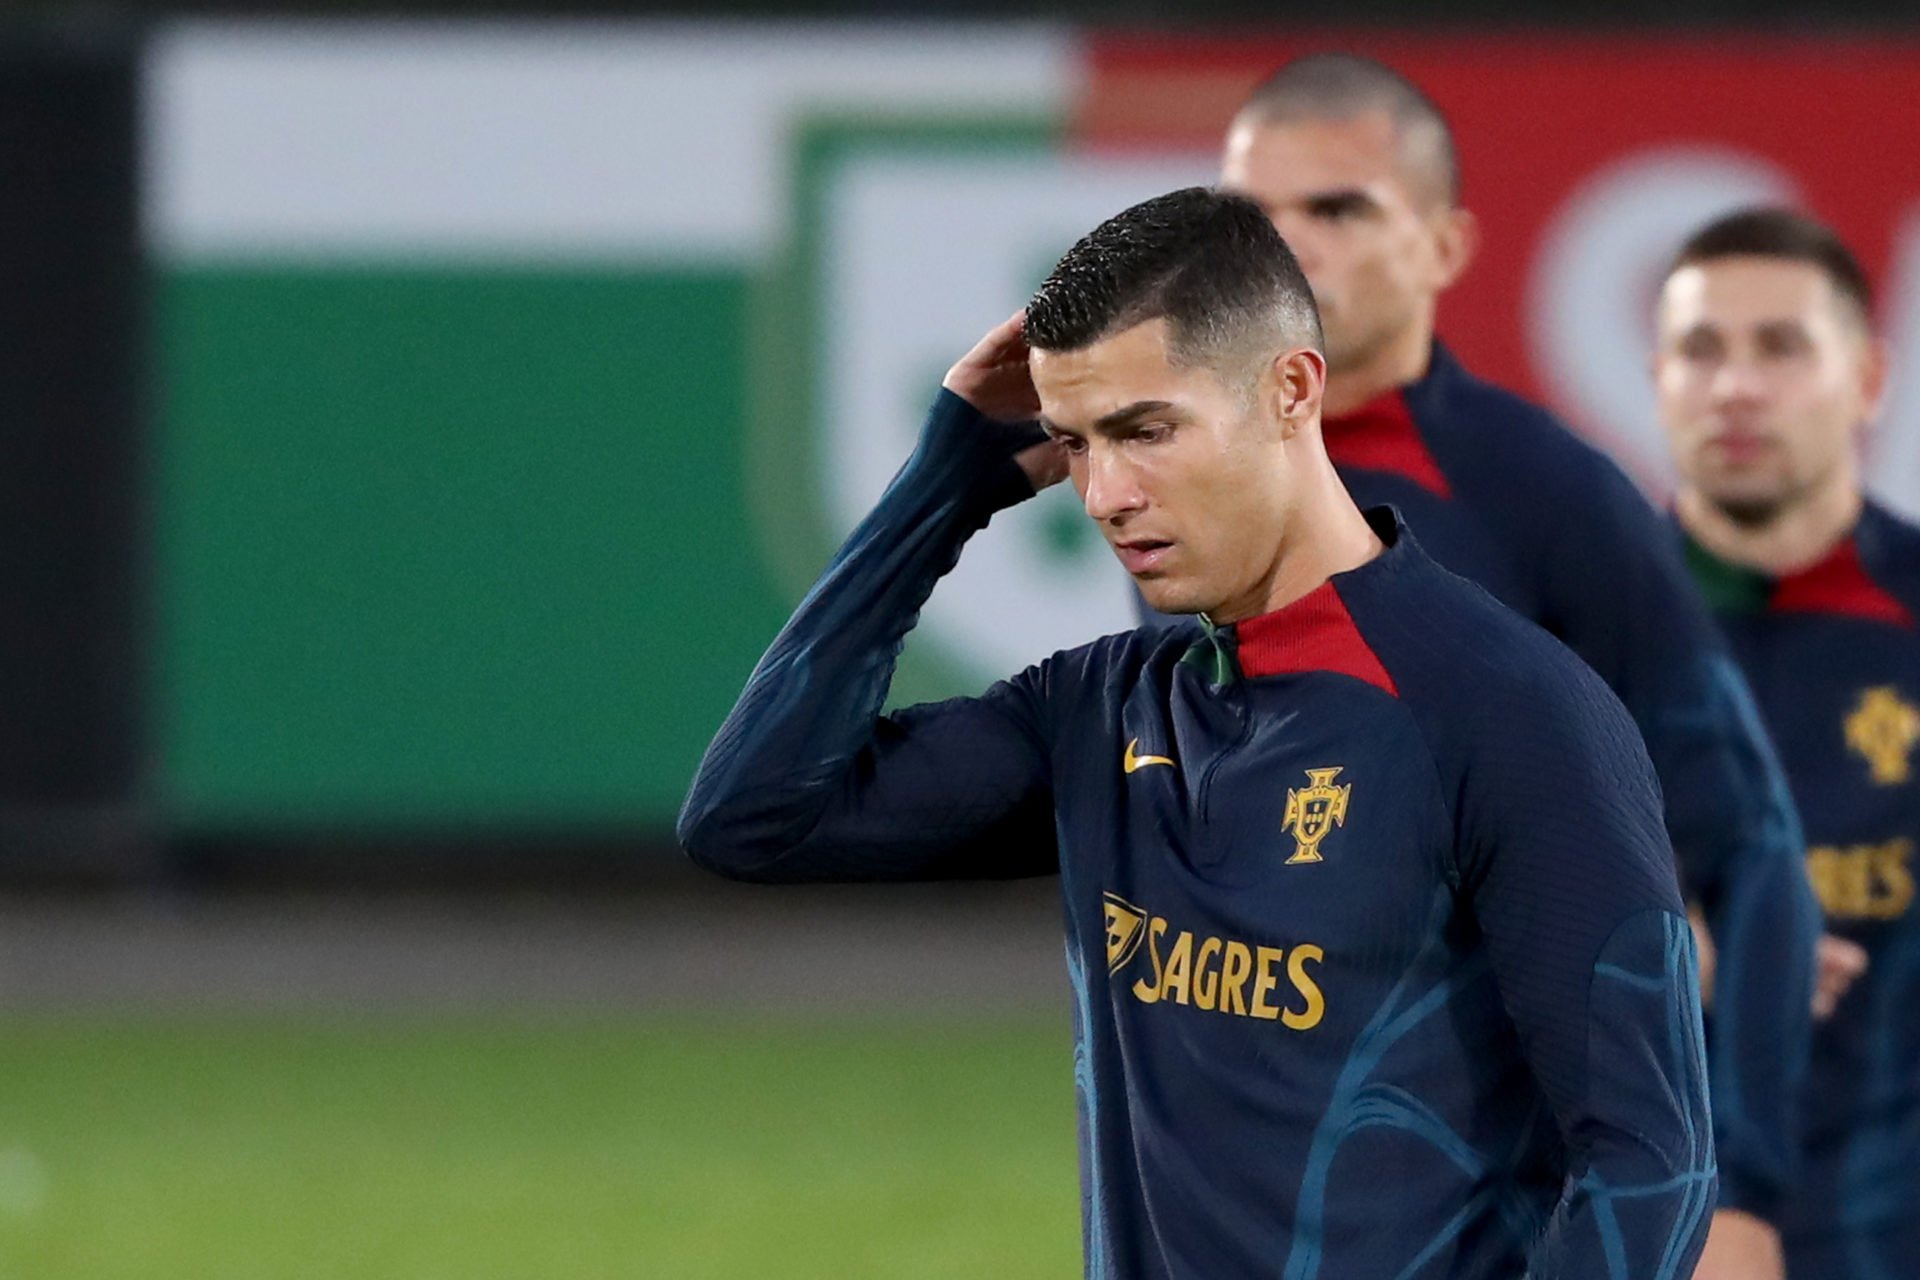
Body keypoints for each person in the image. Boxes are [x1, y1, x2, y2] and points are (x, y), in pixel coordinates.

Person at [681, 187, 1714, 1278]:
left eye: (1146, 429)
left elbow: (1651, 1160)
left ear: (1289, 390)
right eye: (1073, 443)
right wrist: (944, 487)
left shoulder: (1513, 712)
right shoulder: (1099, 710)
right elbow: (753, 816)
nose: (1104, 493)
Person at [1215, 52, 1824, 1276]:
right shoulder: (1190, 483)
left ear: (1445, 248)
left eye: (1337, 209)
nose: (1284, 250)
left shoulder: (1547, 494)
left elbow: (1753, 850)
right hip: (1251, 1146)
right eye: (1250, 218)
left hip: (1492, 1165)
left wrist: (1745, 1193)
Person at [1654, 206, 1915, 1280]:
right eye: (1701, 350)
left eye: (1781, 347)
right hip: (1634, 1238)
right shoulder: (1557, 639)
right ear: (1658, 378)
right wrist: (1661, 948)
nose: (1736, 386)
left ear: (1865, 378)